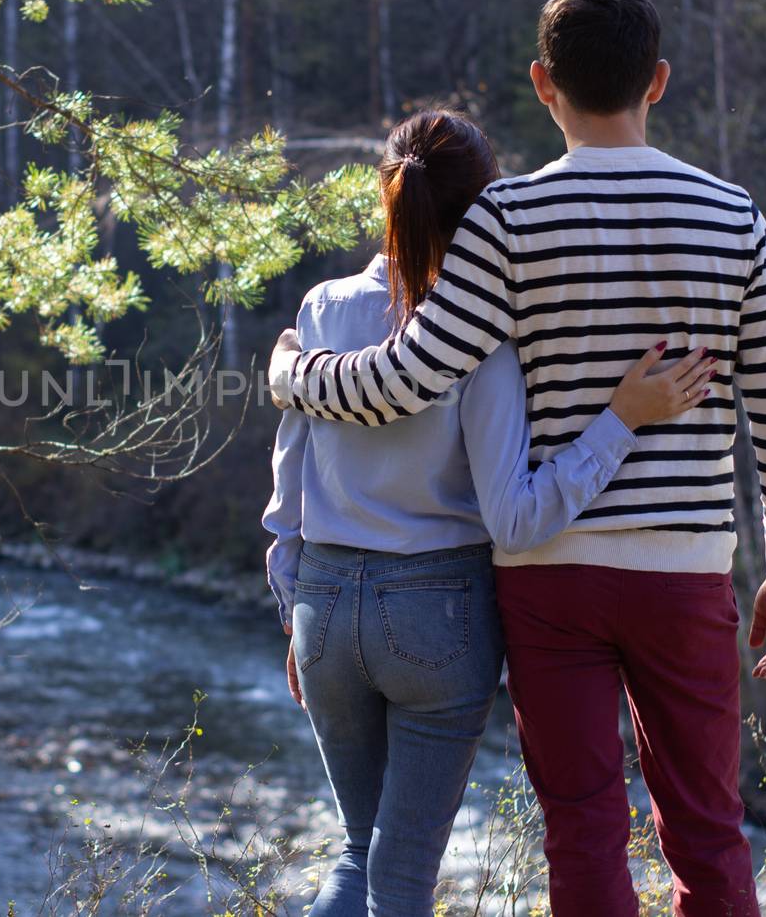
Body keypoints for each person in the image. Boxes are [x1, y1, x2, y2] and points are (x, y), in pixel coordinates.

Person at [267, 0, 766, 917]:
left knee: (581, 824)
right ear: (658, 80)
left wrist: (292, 377)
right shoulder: (736, 218)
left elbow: (408, 375)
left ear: (541, 83)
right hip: (683, 569)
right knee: (708, 825)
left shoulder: (506, 221)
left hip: (546, 574)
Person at [263, 108, 717, 916]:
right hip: (436, 614)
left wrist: (295, 611)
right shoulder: (482, 336)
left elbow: (286, 490)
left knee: (354, 855)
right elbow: (515, 518)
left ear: (387, 195)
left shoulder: (323, 308)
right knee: (398, 879)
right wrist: (619, 422)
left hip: (322, 606)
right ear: (487, 210)